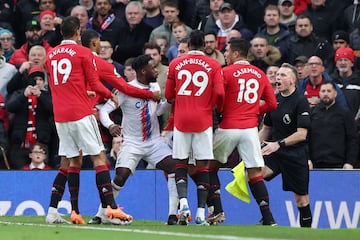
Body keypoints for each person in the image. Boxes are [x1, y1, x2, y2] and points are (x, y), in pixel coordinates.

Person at [45, 28, 159, 224]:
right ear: (94, 43)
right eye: (100, 43)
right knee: (99, 158)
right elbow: (122, 87)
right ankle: (111, 209)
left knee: (71, 162)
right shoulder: (93, 59)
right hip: (82, 114)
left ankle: (62, 210)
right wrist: (149, 95)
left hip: (61, 115)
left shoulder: (53, 55)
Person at [96, 54, 178, 225]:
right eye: (153, 68)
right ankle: (102, 213)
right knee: (121, 175)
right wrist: (111, 125)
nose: (156, 71)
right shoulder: (125, 90)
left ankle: (172, 215)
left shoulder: (154, 86)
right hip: (133, 142)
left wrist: (169, 102)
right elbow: (104, 111)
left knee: (174, 168)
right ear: (143, 71)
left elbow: (157, 111)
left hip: (154, 141)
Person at [210, 37, 277, 225]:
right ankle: (268, 218)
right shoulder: (259, 73)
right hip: (250, 129)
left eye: (227, 51)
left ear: (236, 53)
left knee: (209, 166)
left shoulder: (226, 72)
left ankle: (217, 211)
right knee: (255, 172)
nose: (225, 54)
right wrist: (254, 110)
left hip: (229, 126)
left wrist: (222, 110)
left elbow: (220, 94)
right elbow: (272, 104)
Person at [165, 30, 225, 225]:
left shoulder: (175, 63)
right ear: (204, 45)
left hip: (181, 119)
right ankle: (200, 212)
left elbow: (168, 94)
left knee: (181, 163)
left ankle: (183, 203)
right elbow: (220, 93)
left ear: (189, 44)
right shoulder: (214, 64)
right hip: (203, 119)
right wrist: (215, 107)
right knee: (203, 166)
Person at [259, 63, 313, 228]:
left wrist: (279, 144)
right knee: (255, 175)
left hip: (295, 154)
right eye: (277, 75)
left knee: (301, 200)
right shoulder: (274, 99)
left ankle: (306, 235)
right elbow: (266, 128)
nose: (277, 78)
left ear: (292, 80)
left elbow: (302, 134)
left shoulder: (300, 101)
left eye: (282, 75)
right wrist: (253, 147)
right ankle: (267, 217)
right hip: (275, 151)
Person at [5, 65, 54, 169]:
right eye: (35, 79)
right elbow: (10, 107)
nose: (38, 82)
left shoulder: (47, 95)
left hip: (41, 146)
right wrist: (24, 95)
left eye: (41, 79)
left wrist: (40, 96)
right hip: (21, 145)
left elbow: (53, 110)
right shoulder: (19, 93)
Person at [309, 82, 358, 169]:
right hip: (315, 164)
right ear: (319, 93)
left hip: (339, 164)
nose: (326, 94)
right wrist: (307, 159)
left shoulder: (345, 113)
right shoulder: (312, 113)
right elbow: (306, 138)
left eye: (329, 91)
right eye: (323, 91)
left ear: (335, 94)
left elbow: (352, 139)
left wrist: (349, 162)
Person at [331, 47, 360, 119]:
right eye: (340, 60)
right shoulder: (331, 81)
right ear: (336, 64)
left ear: (352, 63)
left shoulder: (358, 81)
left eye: (346, 60)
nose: (343, 63)